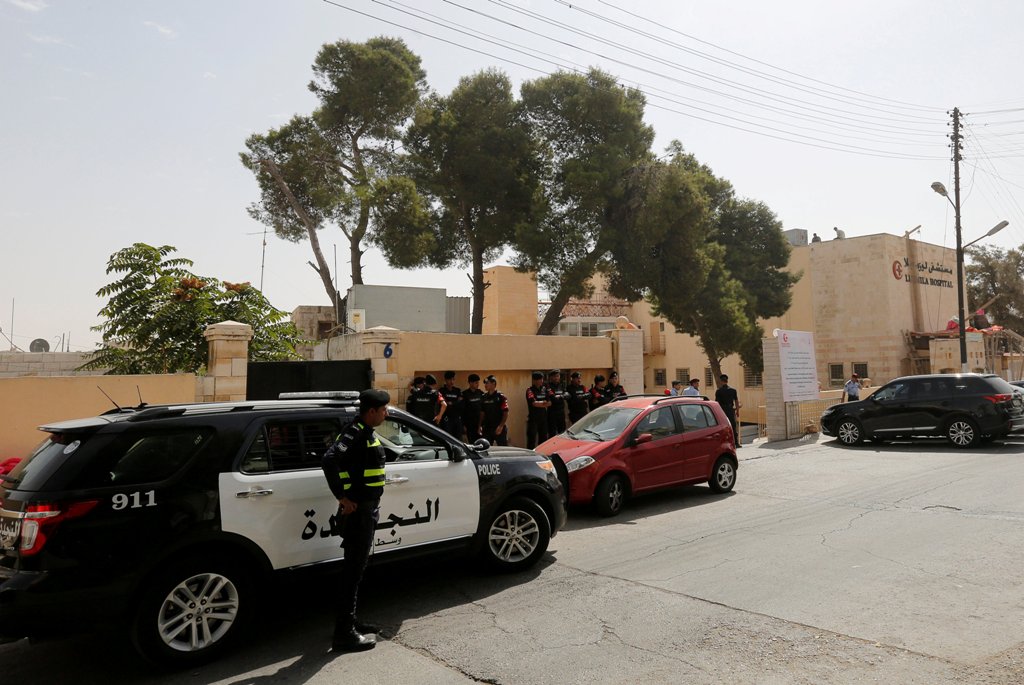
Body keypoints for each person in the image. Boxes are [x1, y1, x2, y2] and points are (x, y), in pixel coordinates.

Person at [321, 388, 391, 653]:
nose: (386, 413)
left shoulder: (365, 432)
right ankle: (344, 634)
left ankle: (349, 623)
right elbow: (329, 461)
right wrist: (342, 497)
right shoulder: (355, 432)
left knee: (356, 570)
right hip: (359, 512)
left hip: (367, 511)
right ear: (371, 411)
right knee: (353, 571)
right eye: (383, 410)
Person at [525, 371, 552, 449]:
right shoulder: (530, 390)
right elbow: (534, 403)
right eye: (539, 379)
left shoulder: (544, 389)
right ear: (534, 380)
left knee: (543, 439)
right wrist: (544, 403)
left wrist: (541, 403)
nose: (541, 381)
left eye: (542, 379)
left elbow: (550, 403)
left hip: (543, 418)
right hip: (533, 419)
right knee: (531, 439)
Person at [480, 375, 509, 446]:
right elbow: (482, 413)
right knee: (486, 448)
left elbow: (506, 412)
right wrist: (480, 425)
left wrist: (501, 426)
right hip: (487, 428)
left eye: (487, 383)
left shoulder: (500, 397)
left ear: (493, 384)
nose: (485, 385)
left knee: (503, 448)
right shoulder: (483, 397)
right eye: (485, 383)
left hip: (498, 427)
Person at [714, 374, 741, 447]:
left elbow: (717, 403)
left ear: (721, 381)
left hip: (722, 410)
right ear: (727, 381)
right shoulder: (733, 390)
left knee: (723, 427)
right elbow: (736, 401)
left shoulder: (719, 391)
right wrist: (737, 411)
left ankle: (724, 443)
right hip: (730, 409)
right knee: (733, 425)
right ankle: (736, 443)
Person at [439, 371, 463, 439]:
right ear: (446, 380)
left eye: (453, 379)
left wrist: (451, 403)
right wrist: (455, 402)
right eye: (450, 379)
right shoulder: (442, 390)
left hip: (457, 419)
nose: (452, 381)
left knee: (458, 438)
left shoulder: (457, 390)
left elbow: (460, 403)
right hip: (446, 419)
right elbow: (444, 403)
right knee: (448, 438)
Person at [461, 373, 484, 442]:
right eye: (476, 383)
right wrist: (463, 425)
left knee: (481, 442)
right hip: (469, 424)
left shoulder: (480, 393)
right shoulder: (465, 394)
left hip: (479, 423)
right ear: (470, 383)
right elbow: (462, 411)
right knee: (472, 443)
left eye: (478, 382)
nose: (478, 384)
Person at [547, 369, 567, 437]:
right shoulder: (548, 386)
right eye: (555, 376)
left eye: (558, 376)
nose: (556, 378)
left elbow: (568, 395)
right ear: (551, 377)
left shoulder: (561, 385)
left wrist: (560, 396)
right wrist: (562, 397)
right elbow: (553, 398)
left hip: (561, 412)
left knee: (562, 432)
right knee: (552, 433)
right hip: (552, 412)